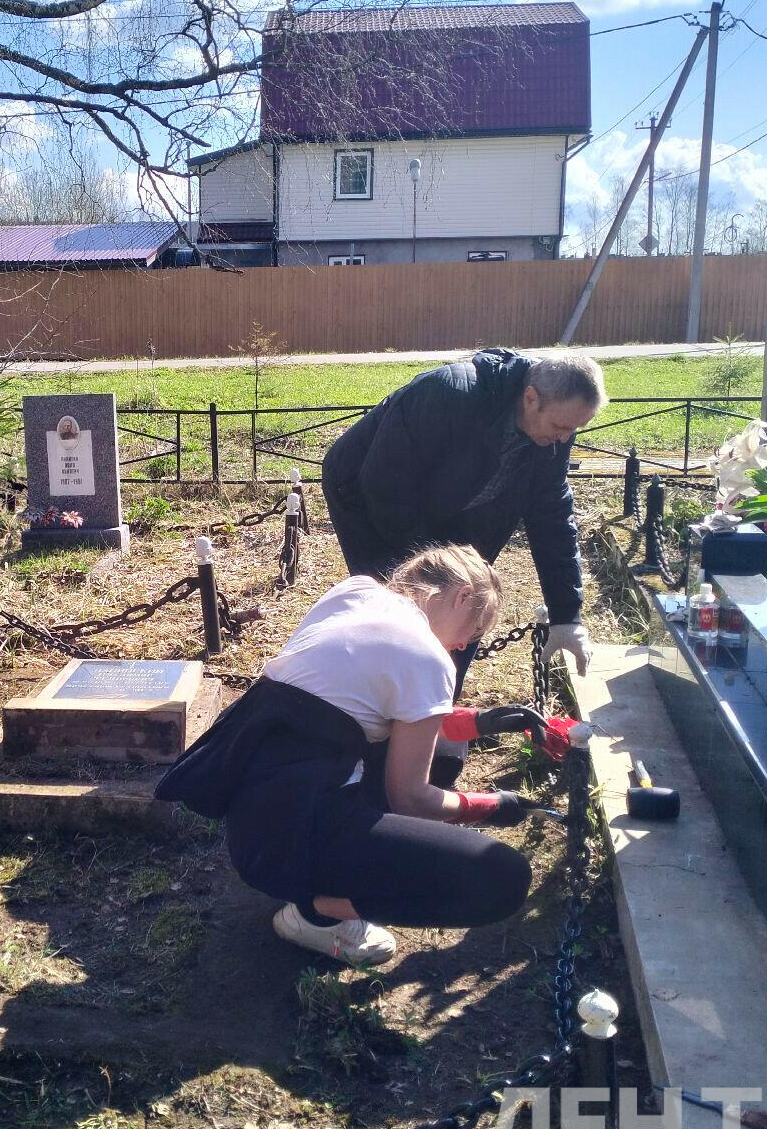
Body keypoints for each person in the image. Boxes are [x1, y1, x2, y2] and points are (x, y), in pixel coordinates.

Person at [156, 544, 549, 965]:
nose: (460, 646)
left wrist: (481, 722)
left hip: (258, 813)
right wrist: (488, 807)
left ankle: (338, 870)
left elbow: (348, 701)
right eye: (470, 633)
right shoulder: (430, 657)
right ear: (462, 597)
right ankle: (315, 914)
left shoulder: (354, 592)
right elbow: (410, 798)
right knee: (503, 879)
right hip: (290, 840)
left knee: (448, 752)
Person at [321, 349, 605, 687]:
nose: (564, 438)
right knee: (404, 602)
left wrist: (566, 614)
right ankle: (382, 702)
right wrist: (436, 568)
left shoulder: (553, 435)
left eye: (574, 429)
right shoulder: (447, 393)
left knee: (471, 599)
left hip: (462, 501)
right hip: (365, 494)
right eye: (561, 426)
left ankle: (439, 706)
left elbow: (553, 517)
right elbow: (386, 485)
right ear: (530, 398)